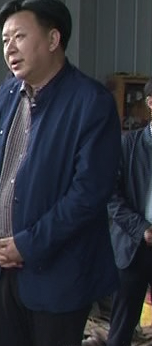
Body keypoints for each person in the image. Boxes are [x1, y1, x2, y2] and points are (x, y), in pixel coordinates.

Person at [0, 0, 122, 346]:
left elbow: (89, 194)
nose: (10, 48)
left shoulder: (91, 102)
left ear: (53, 39)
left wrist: (27, 244)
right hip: (3, 270)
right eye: (5, 40)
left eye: (20, 37)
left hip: (60, 277)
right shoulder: (7, 94)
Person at [105, 77, 152, 346]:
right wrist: (141, 229)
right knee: (121, 329)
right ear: (150, 103)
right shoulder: (129, 145)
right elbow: (111, 197)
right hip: (133, 248)